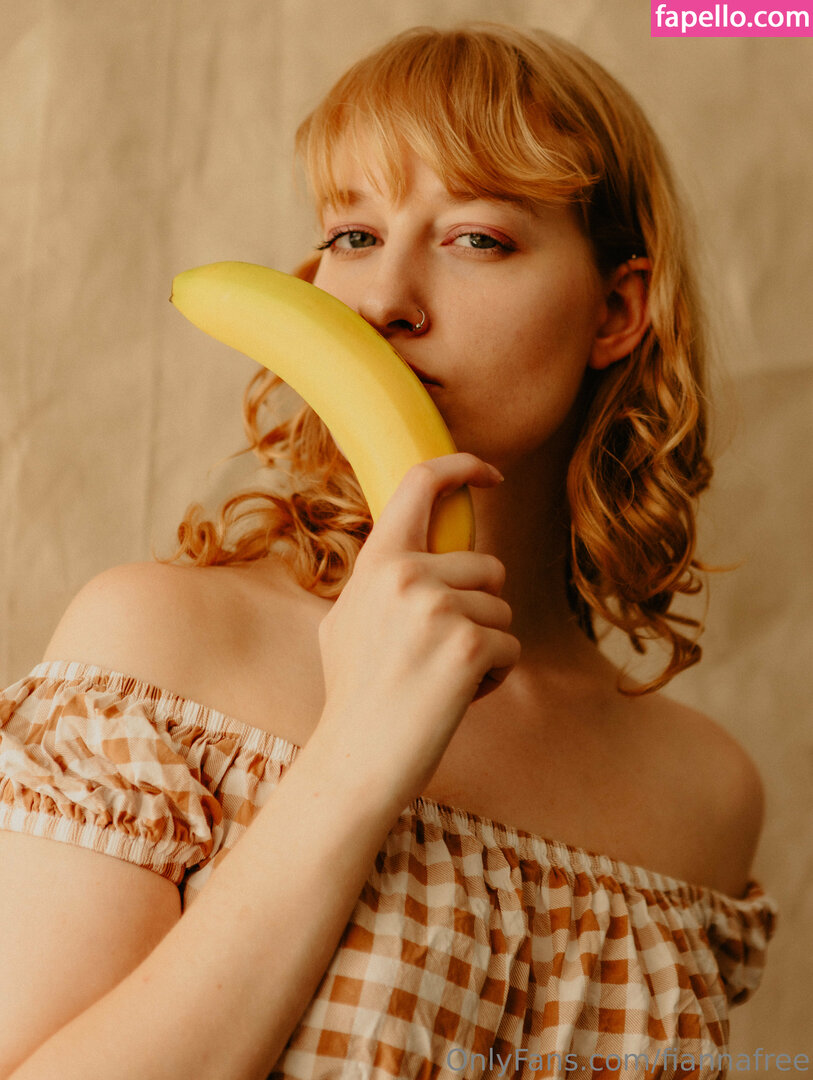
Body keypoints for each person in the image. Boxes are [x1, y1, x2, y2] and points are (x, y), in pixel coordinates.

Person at [0, 23, 777, 1080]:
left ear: (615, 310)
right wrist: (360, 748)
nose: (383, 303)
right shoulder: (159, 646)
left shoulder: (708, 795)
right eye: (354, 234)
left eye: (477, 240)